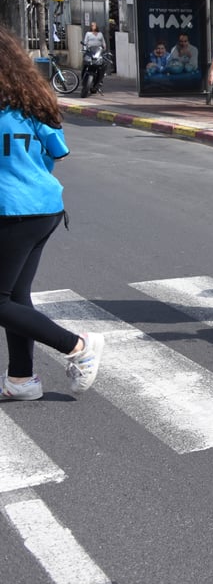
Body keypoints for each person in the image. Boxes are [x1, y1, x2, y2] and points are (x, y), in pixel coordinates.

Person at [0, 26, 104, 400]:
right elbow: (56, 153)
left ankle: (76, 346)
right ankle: (22, 379)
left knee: (0, 301)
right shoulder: (34, 104)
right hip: (44, 208)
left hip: (11, 211)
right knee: (15, 297)